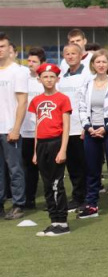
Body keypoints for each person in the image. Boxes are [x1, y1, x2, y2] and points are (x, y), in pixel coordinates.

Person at [77, 49, 108, 219]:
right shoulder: (87, 85)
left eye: (104, 62)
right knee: (92, 169)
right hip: (91, 129)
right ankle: (91, 205)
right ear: (93, 65)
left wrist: (107, 128)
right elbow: (82, 108)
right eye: (98, 62)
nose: (101, 65)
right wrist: (88, 127)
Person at [29, 63, 72, 236]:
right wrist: (34, 151)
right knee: (47, 185)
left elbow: (66, 127)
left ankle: (63, 223)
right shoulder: (36, 100)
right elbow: (37, 128)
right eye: (45, 77)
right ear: (39, 79)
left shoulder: (63, 99)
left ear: (57, 79)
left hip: (56, 143)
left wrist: (63, 149)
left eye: (52, 76)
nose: (48, 79)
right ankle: (54, 221)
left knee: (56, 184)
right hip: (41, 145)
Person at [57, 42, 92, 212]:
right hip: (66, 128)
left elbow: (88, 101)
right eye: (67, 54)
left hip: (81, 127)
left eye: (73, 53)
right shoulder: (61, 77)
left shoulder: (87, 75)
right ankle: (77, 197)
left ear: (80, 56)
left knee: (84, 164)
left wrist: (87, 126)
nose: (70, 56)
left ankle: (88, 197)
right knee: (72, 166)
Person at [0, 32, 28, 220]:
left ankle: (18, 204)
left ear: (10, 48)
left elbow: (22, 101)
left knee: (15, 168)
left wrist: (16, 128)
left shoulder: (19, 71)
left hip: (10, 128)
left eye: (2, 46)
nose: (0, 50)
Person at [20, 47, 46, 211]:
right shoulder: (24, 80)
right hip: (25, 131)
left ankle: (51, 199)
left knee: (44, 168)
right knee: (27, 167)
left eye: (34, 62)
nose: (30, 64)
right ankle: (29, 199)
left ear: (42, 63)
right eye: (29, 61)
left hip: (43, 132)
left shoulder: (47, 80)